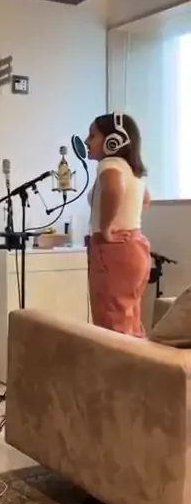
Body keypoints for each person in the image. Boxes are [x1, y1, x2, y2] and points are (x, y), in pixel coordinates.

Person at [85, 112, 151, 337]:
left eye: (93, 136)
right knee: (130, 323)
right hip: (136, 246)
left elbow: (114, 188)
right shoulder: (131, 169)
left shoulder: (110, 164)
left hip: (113, 250)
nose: (87, 141)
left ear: (114, 141)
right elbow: (145, 200)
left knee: (111, 327)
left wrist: (106, 228)